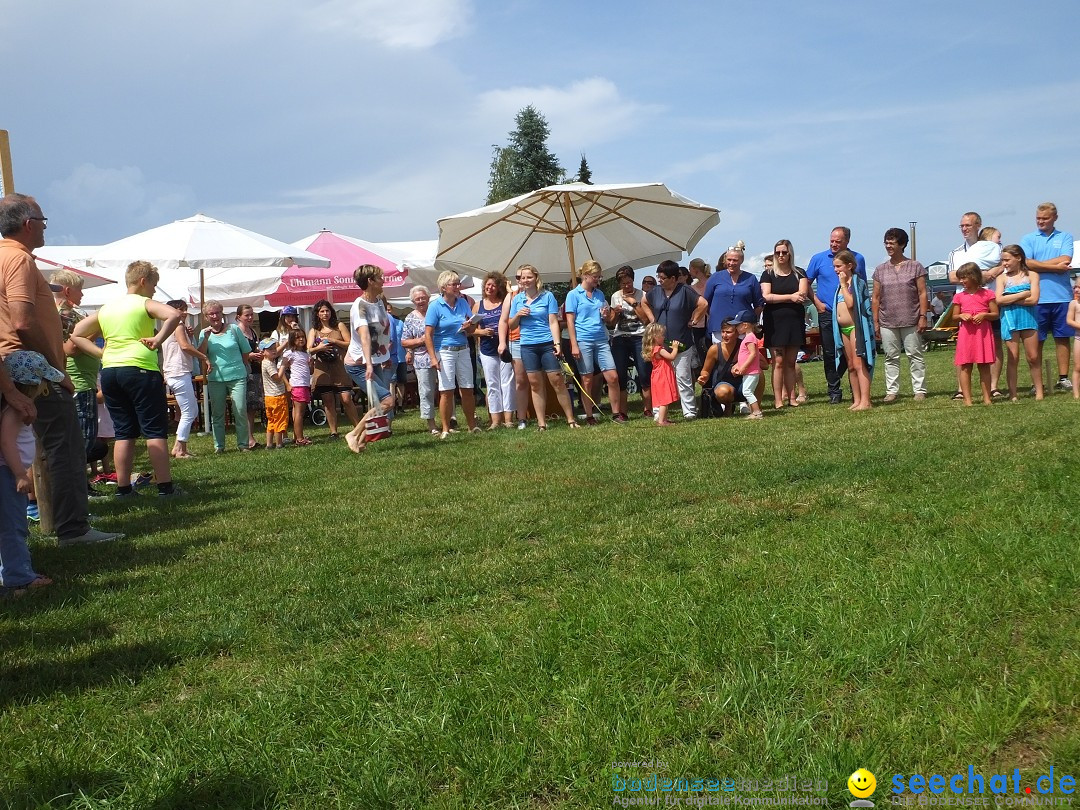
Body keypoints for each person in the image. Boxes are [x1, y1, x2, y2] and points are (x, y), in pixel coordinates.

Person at [0, 193, 119, 545]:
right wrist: (55, 368)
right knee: (64, 445)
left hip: (10, 367)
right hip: (30, 368)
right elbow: (23, 320)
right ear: (28, 224)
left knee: (20, 449)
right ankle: (73, 528)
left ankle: (38, 525)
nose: (45, 228)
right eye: (43, 221)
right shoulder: (19, 260)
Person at [71, 261, 184, 498]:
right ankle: (165, 487)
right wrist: (159, 339)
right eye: (154, 285)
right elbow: (174, 315)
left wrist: (102, 353)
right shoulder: (143, 302)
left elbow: (77, 334)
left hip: (111, 371)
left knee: (124, 432)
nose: (154, 290)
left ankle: (123, 489)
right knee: (154, 431)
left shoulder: (107, 308)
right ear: (143, 281)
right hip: (140, 369)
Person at [0, 352, 59, 597]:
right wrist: (19, 474)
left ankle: (10, 572)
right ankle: (19, 578)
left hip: (7, 474)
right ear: (32, 384)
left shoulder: (13, 408)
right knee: (13, 526)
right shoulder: (15, 411)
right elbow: (6, 442)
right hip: (7, 476)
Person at [507, 264, 578, 431]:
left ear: (536, 278)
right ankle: (541, 423)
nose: (525, 280)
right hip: (527, 346)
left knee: (557, 381)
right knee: (535, 384)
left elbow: (553, 322)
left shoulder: (547, 296)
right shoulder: (517, 299)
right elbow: (511, 325)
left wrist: (557, 343)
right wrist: (518, 314)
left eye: (529, 277)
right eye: (523, 278)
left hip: (547, 344)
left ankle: (570, 419)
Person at [637, 260, 708, 419]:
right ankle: (657, 412)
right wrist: (651, 319)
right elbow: (644, 302)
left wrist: (694, 320)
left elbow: (703, 304)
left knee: (683, 377)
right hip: (660, 346)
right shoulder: (655, 291)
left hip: (681, 342)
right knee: (659, 380)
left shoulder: (685, 291)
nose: (660, 280)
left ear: (674, 278)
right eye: (659, 277)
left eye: (663, 277)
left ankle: (689, 411)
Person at [805, 227, 867, 404]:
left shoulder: (858, 258)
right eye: (831, 240)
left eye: (838, 241)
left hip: (851, 313)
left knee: (853, 353)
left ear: (847, 241)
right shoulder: (818, 258)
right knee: (830, 353)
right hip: (828, 313)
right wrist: (817, 303)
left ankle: (855, 389)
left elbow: (860, 284)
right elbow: (806, 282)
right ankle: (834, 390)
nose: (833, 244)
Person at [1020, 202, 1075, 392]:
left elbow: (1065, 259)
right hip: (1037, 297)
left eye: (1045, 218)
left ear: (1055, 218)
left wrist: (1038, 264)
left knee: (1063, 338)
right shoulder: (1028, 239)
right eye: (1038, 219)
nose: (1041, 222)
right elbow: (1026, 263)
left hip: (1062, 296)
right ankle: (1038, 382)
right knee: (1037, 340)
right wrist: (1054, 267)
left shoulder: (1066, 237)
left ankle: (1063, 378)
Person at [948, 212, 1003, 399]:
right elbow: (952, 276)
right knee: (965, 348)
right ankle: (962, 390)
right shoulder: (956, 252)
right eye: (961, 226)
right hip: (965, 304)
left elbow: (1003, 265)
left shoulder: (993, 247)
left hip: (989, 300)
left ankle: (993, 387)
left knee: (993, 344)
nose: (964, 229)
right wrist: (981, 275)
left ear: (978, 225)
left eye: (968, 225)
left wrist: (992, 272)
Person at [51, 270, 102, 473]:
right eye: (80, 290)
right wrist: (97, 330)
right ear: (68, 290)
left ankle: (80, 486)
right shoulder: (66, 314)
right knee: (84, 437)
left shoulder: (60, 312)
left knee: (80, 437)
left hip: (78, 380)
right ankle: (79, 487)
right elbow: (70, 348)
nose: (82, 295)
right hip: (78, 381)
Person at [871, 228, 929, 403]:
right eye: (886, 242)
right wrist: (876, 322)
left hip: (911, 318)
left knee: (915, 354)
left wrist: (923, 316)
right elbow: (875, 297)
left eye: (892, 242)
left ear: (902, 244)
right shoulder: (880, 270)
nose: (888, 246)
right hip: (887, 320)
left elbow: (922, 293)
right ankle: (891, 391)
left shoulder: (915, 266)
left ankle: (919, 390)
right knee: (890, 356)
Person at [425, 270, 480, 438]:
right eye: (454, 284)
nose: (458, 287)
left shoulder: (463, 303)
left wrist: (469, 326)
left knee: (468, 388)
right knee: (447, 391)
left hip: (463, 348)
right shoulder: (435, 306)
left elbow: (472, 329)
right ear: (443, 287)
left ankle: (472, 425)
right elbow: (428, 334)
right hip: (445, 351)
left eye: (458, 284)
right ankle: (445, 428)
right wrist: (433, 357)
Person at [565, 260, 618, 425]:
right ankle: (589, 415)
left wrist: (605, 315)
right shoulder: (573, 295)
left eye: (599, 277)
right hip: (583, 340)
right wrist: (574, 344)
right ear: (586, 276)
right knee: (586, 379)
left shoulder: (599, 294)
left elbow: (607, 319)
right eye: (595, 277)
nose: (598, 280)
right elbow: (570, 321)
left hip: (601, 339)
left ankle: (617, 414)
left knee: (612, 377)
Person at [197, 300, 252, 453]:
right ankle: (219, 446)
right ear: (206, 316)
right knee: (218, 413)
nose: (215, 316)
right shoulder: (203, 333)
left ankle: (243, 444)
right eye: (211, 314)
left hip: (237, 376)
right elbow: (200, 354)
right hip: (215, 378)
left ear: (222, 313)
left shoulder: (234, 329)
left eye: (217, 312)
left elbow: (246, 351)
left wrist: (242, 365)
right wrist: (206, 338)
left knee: (240, 409)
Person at [761, 239, 809, 408]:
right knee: (778, 362)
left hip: (794, 320)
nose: (781, 255)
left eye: (784, 252)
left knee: (790, 362)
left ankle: (792, 398)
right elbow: (766, 296)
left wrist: (782, 298)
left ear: (790, 254)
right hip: (774, 322)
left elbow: (802, 294)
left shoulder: (800, 273)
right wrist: (790, 297)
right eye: (778, 252)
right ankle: (778, 400)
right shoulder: (768, 274)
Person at [161, 299, 209, 459]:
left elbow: (182, 345)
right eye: (182, 309)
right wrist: (204, 358)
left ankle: (179, 447)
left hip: (175, 373)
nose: (185, 312)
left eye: (185, 309)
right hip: (178, 372)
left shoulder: (169, 327)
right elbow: (185, 346)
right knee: (189, 411)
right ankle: (180, 449)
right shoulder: (178, 325)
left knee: (191, 410)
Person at [995, 244, 1042, 401]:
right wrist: (1022, 294)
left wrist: (1011, 298)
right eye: (1002, 260)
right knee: (1013, 356)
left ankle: (1039, 392)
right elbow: (999, 300)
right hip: (1009, 319)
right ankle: (1013, 394)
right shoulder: (1002, 278)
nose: (1004, 263)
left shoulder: (1032, 275)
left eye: (1007, 260)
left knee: (1033, 356)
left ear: (1018, 258)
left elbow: (1034, 299)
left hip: (1029, 318)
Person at [308, 299, 359, 439]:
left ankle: (358, 427)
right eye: (322, 311)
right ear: (317, 314)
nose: (325, 313)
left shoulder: (339, 326)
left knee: (346, 398)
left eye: (327, 310)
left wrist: (334, 341)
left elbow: (349, 343)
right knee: (328, 400)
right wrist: (319, 348)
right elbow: (308, 349)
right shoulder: (314, 330)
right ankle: (333, 431)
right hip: (322, 369)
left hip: (339, 367)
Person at [608, 265, 652, 422]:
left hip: (639, 336)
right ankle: (623, 412)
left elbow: (646, 320)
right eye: (623, 284)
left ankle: (648, 410)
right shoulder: (615, 296)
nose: (627, 286)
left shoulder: (643, 295)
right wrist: (615, 313)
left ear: (633, 280)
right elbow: (612, 323)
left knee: (644, 373)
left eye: (629, 282)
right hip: (621, 337)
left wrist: (634, 304)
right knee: (621, 375)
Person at [832, 250, 874, 411]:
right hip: (844, 329)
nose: (836, 270)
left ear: (849, 265)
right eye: (834, 267)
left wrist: (844, 285)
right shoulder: (839, 286)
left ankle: (866, 400)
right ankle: (856, 400)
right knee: (850, 365)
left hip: (856, 327)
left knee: (859, 363)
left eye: (839, 266)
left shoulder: (857, 283)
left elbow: (851, 304)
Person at [952, 263, 999, 406]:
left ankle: (987, 398)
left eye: (964, 278)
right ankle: (967, 400)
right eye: (960, 278)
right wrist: (962, 316)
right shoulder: (959, 296)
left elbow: (995, 314)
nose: (961, 281)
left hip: (983, 334)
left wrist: (985, 315)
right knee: (965, 366)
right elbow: (954, 316)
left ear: (973, 276)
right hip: (966, 334)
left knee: (984, 366)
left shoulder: (988, 294)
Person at [473, 272, 515, 429]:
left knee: (507, 383)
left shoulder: (505, 301)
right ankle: (496, 420)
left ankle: (509, 419)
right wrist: (482, 332)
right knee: (492, 384)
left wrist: (510, 290)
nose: (489, 288)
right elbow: (471, 329)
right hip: (486, 349)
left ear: (499, 288)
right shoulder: (478, 305)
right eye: (487, 285)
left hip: (505, 348)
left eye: (493, 285)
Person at [703, 245, 764, 345]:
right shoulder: (715, 277)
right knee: (721, 357)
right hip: (719, 327)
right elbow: (705, 302)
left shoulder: (751, 279)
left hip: (743, 328)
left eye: (735, 260)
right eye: (729, 260)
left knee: (743, 356)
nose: (731, 263)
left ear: (741, 261)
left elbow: (759, 305)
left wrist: (748, 320)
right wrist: (715, 315)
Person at [697, 319, 757, 416]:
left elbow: (763, 364)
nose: (724, 335)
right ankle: (728, 406)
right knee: (723, 392)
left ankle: (755, 408)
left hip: (744, 382)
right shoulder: (715, 349)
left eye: (728, 332)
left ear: (737, 333)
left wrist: (741, 364)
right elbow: (705, 370)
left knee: (759, 375)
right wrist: (704, 377)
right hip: (724, 384)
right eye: (723, 332)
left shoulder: (745, 345)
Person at [402, 286, 438, 435]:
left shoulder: (435, 312)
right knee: (426, 391)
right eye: (418, 299)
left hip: (441, 355)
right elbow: (404, 342)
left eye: (423, 297)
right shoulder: (410, 318)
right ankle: (432, 424)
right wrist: (421, 340)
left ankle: (451, 419)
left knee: (446, 389)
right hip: (422, 359)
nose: (421, 301)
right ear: (413, 301)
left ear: (428, 298)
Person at [234, 304, 264, 448]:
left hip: (255, 370)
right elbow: (234, 352)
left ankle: (250, 436)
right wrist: (250, 355)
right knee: (245, 406)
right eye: (247, 315)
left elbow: (255, 348)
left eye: (252, 314)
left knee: (252, 407)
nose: (250, 317)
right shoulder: (237, 331)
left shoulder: (252, 331)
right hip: (243, 371)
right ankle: (248, 438)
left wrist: (259, 353)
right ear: (239, 316)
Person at [280, 328, 313, 445]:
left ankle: (297, 435)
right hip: (297, 385)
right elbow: (281, 369)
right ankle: (299, 438)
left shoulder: (306, 353)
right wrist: (287, 384)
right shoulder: (289, 353)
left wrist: (311, 364)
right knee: (299, 412)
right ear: (292, 340)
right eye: (298, 337)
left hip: (305, 384)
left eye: (303, 337)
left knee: (298, 412)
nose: (301, 339)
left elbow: (310, 371)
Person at [729, 310, 764, 420]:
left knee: (747, 391)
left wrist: (743, 367)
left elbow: (753, 354)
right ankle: (754, 411)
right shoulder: (748, 337)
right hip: (750, 371)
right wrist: (738, 365)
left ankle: (757, 412)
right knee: (748, 391)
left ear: (745, 325)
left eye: (737, 325)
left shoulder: (749, 338)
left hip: (751, 372)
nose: (736, 328)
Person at [642, 323, 677, 426]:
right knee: (664, 400)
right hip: (663, 375)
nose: (664, 337)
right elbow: (671, 357)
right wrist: (675, 348)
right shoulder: (659, 349)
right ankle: (661, 421)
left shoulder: (654, 348)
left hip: (659, 375)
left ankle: (664, 419)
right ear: (655, 337)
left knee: (664, 399)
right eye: (662, 335)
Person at [259, 338, 288, 448]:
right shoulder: (269, 364)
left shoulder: (265, 362)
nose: (274, 351)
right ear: (263, 352)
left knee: (271, 421)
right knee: (279, 420)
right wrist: (283, 366)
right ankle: (279, 443)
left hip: (269, 397)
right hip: (276, 396)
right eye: (270, 349)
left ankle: (269, 444)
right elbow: (277, 378)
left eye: (274, 348)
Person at [1068, 284, 1080, 400]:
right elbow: (1069, 320)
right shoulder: (1074, 304)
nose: (1077, 289)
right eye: (1075, 287)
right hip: (1078, 338)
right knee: (1078, 366)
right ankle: (1076, 394)